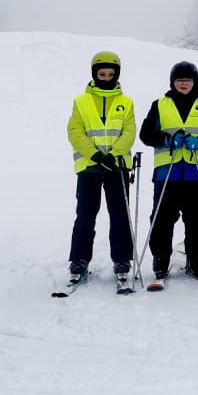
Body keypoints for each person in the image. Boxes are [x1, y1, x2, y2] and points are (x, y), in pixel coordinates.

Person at [137, 59, 198, 281]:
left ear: (195, 81)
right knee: (162, 217)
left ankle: (196, 258)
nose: (183, 84)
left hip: (197, 171)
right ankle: (161, 258)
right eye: (179, 80)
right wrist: (167, 138)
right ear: (172, 82)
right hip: (166, 171)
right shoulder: (159, 105)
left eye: (188, 80)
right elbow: (146, 134)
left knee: (197, 217)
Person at [65, 49, 137, 284]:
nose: (106, 78)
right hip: (90, 167)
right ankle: (79, 259)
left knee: (119, 215)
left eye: (110, 74)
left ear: (117, 74)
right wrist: (96, 155)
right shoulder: (81, 101)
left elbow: (129, 131)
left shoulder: (125, 102)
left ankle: (122, 259)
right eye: (102, 73)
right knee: (85, 215)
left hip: (117, 167)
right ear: (95, 74)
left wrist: (114, 155)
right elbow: (75, 132)